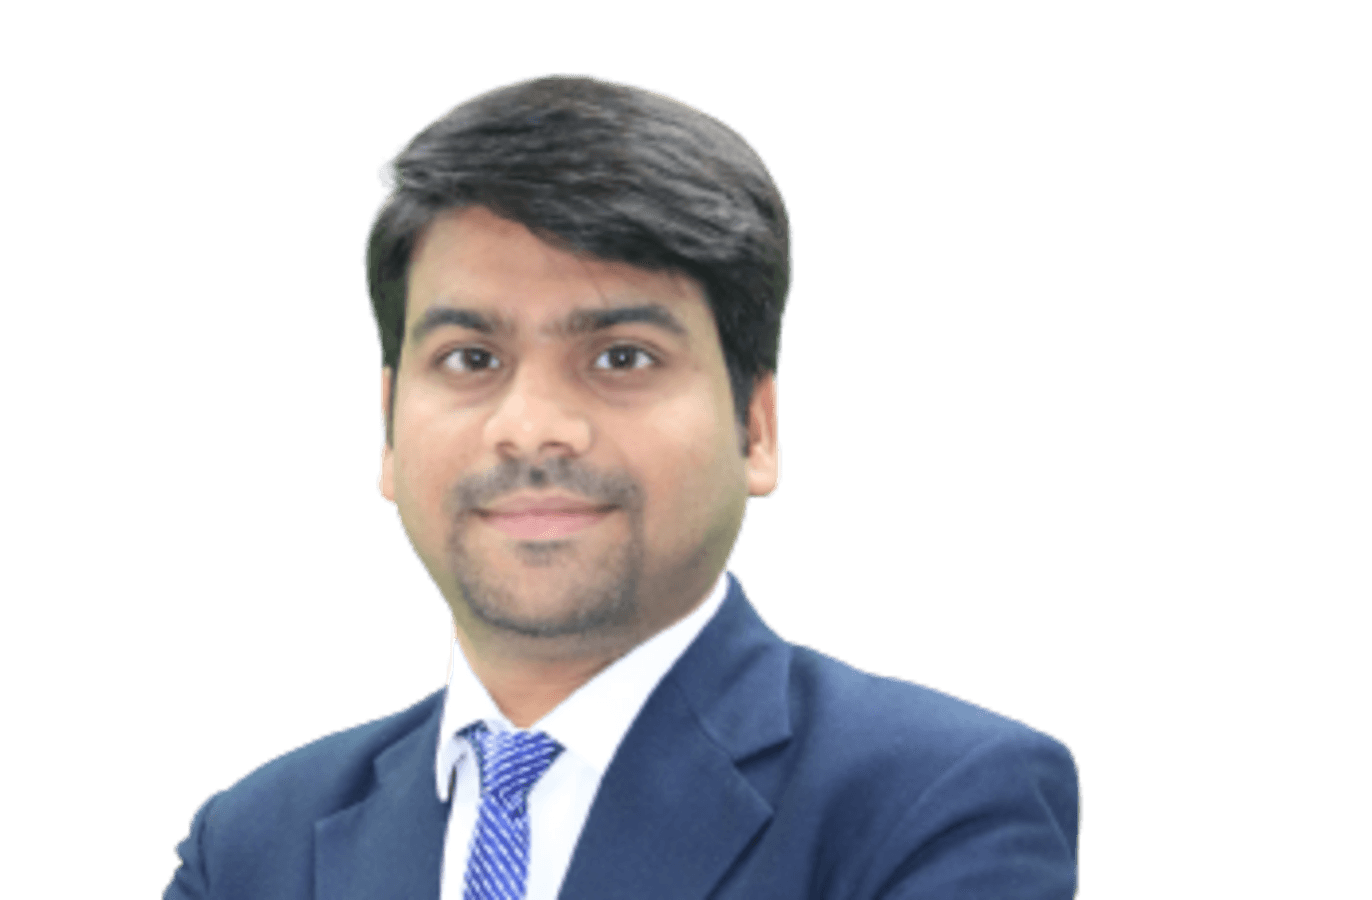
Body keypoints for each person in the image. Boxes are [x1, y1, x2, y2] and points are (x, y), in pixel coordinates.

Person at [164, 73, 1081, 900]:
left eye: (620, 357)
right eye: (471, 358)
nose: (530, 427)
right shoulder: (250, 846)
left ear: (755, 427)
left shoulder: (936, 801)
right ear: (389, 431)